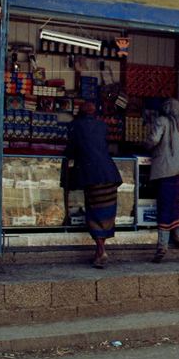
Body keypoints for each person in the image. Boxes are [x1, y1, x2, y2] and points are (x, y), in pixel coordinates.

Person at [64, 101, 123, 268]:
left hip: (92, 176)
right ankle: (99, 252)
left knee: (95, 214)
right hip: (110, 174)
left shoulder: (74, 126)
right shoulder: (102, 126)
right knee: (106, 213)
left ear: (79, 112)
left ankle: (101, 249)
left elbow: (70, 151)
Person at [145, 98, 179, 263]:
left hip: (166, 170)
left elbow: (153, 140)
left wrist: (146, 145)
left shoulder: (161, 121)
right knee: (175, 203)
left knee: (165, 206)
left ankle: (162, 246)